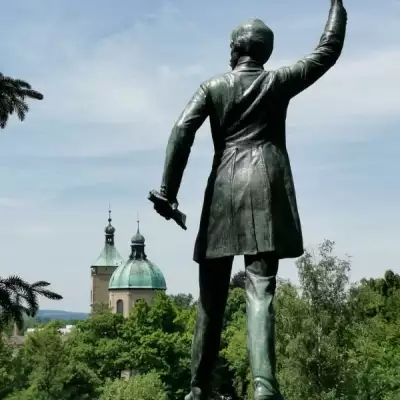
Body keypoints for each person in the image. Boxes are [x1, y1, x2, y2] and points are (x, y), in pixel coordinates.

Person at [153, 1, 347, 398]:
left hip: (223, 192)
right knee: (260, 289)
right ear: (264, 51)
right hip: (265, 190)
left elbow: (181, 130)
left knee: (210, 298)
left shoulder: (212, 87)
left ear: (236, 49)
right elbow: (327, 50)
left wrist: (167, 192)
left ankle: (197, 388)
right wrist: (337, 5)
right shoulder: (277, 81)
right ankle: (264, 386)